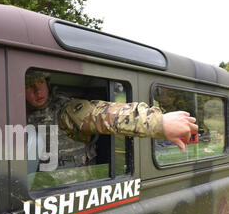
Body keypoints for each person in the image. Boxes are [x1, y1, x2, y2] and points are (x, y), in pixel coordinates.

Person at [25, 70, 198, 171]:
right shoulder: (14, 114)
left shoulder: (64, 110)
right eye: (29, 85)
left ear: (47, 83)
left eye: (40, 82)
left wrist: (157, 122)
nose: (37, 90)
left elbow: (100, 115)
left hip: (73, 193)